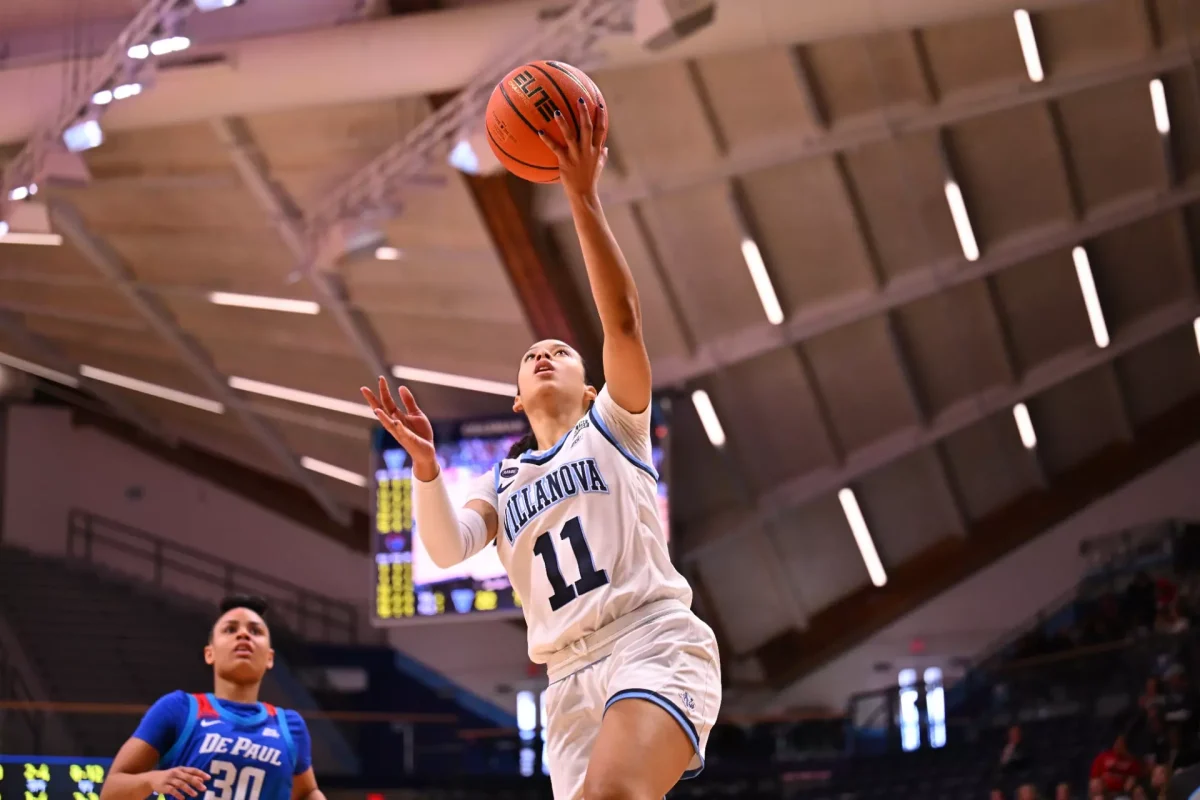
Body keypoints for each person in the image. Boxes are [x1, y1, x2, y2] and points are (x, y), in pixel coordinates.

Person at [362, 97, 721, 800]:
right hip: (563, 683)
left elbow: (620, 321)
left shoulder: (616, 428)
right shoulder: (502, 482)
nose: (547, 356)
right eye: (533, 356)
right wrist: (427, 470)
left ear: (591, 389)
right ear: (516, 398)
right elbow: (443, 549)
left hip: (649, 641)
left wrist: (582, 198)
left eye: (561, 351)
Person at [100, 596, 322, 800]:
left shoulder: (290, 725)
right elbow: (110, 791)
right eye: (230, 629)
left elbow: (307, 793)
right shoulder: (179, 709)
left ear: (270, 658)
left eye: (255, 631)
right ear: (210, 653)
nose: (243, 635)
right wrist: (151, 780)